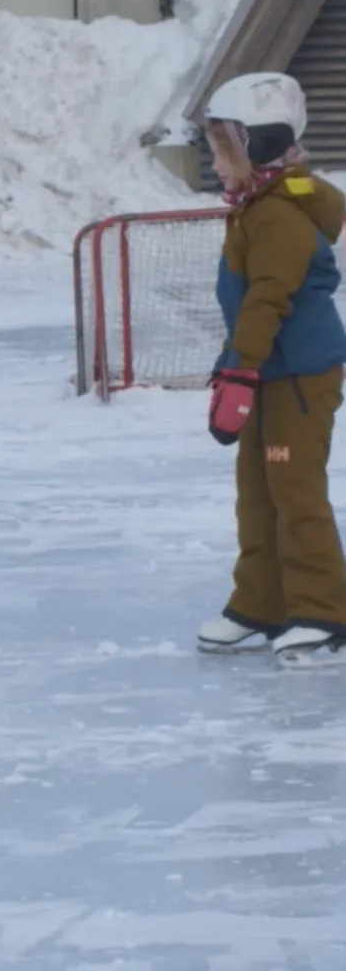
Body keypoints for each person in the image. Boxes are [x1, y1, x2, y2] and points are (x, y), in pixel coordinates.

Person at [193, 72, 346, 668]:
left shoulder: (279, 215)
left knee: (294, 491)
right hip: (267, 373)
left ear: (255, 146)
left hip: (298, 379)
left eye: (222, 147)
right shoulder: (258, 206)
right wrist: (235, 365)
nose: (214, 160)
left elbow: (267, 299)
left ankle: (323, 612)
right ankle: (258, 603)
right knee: (256, 492)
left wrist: (239, 372)